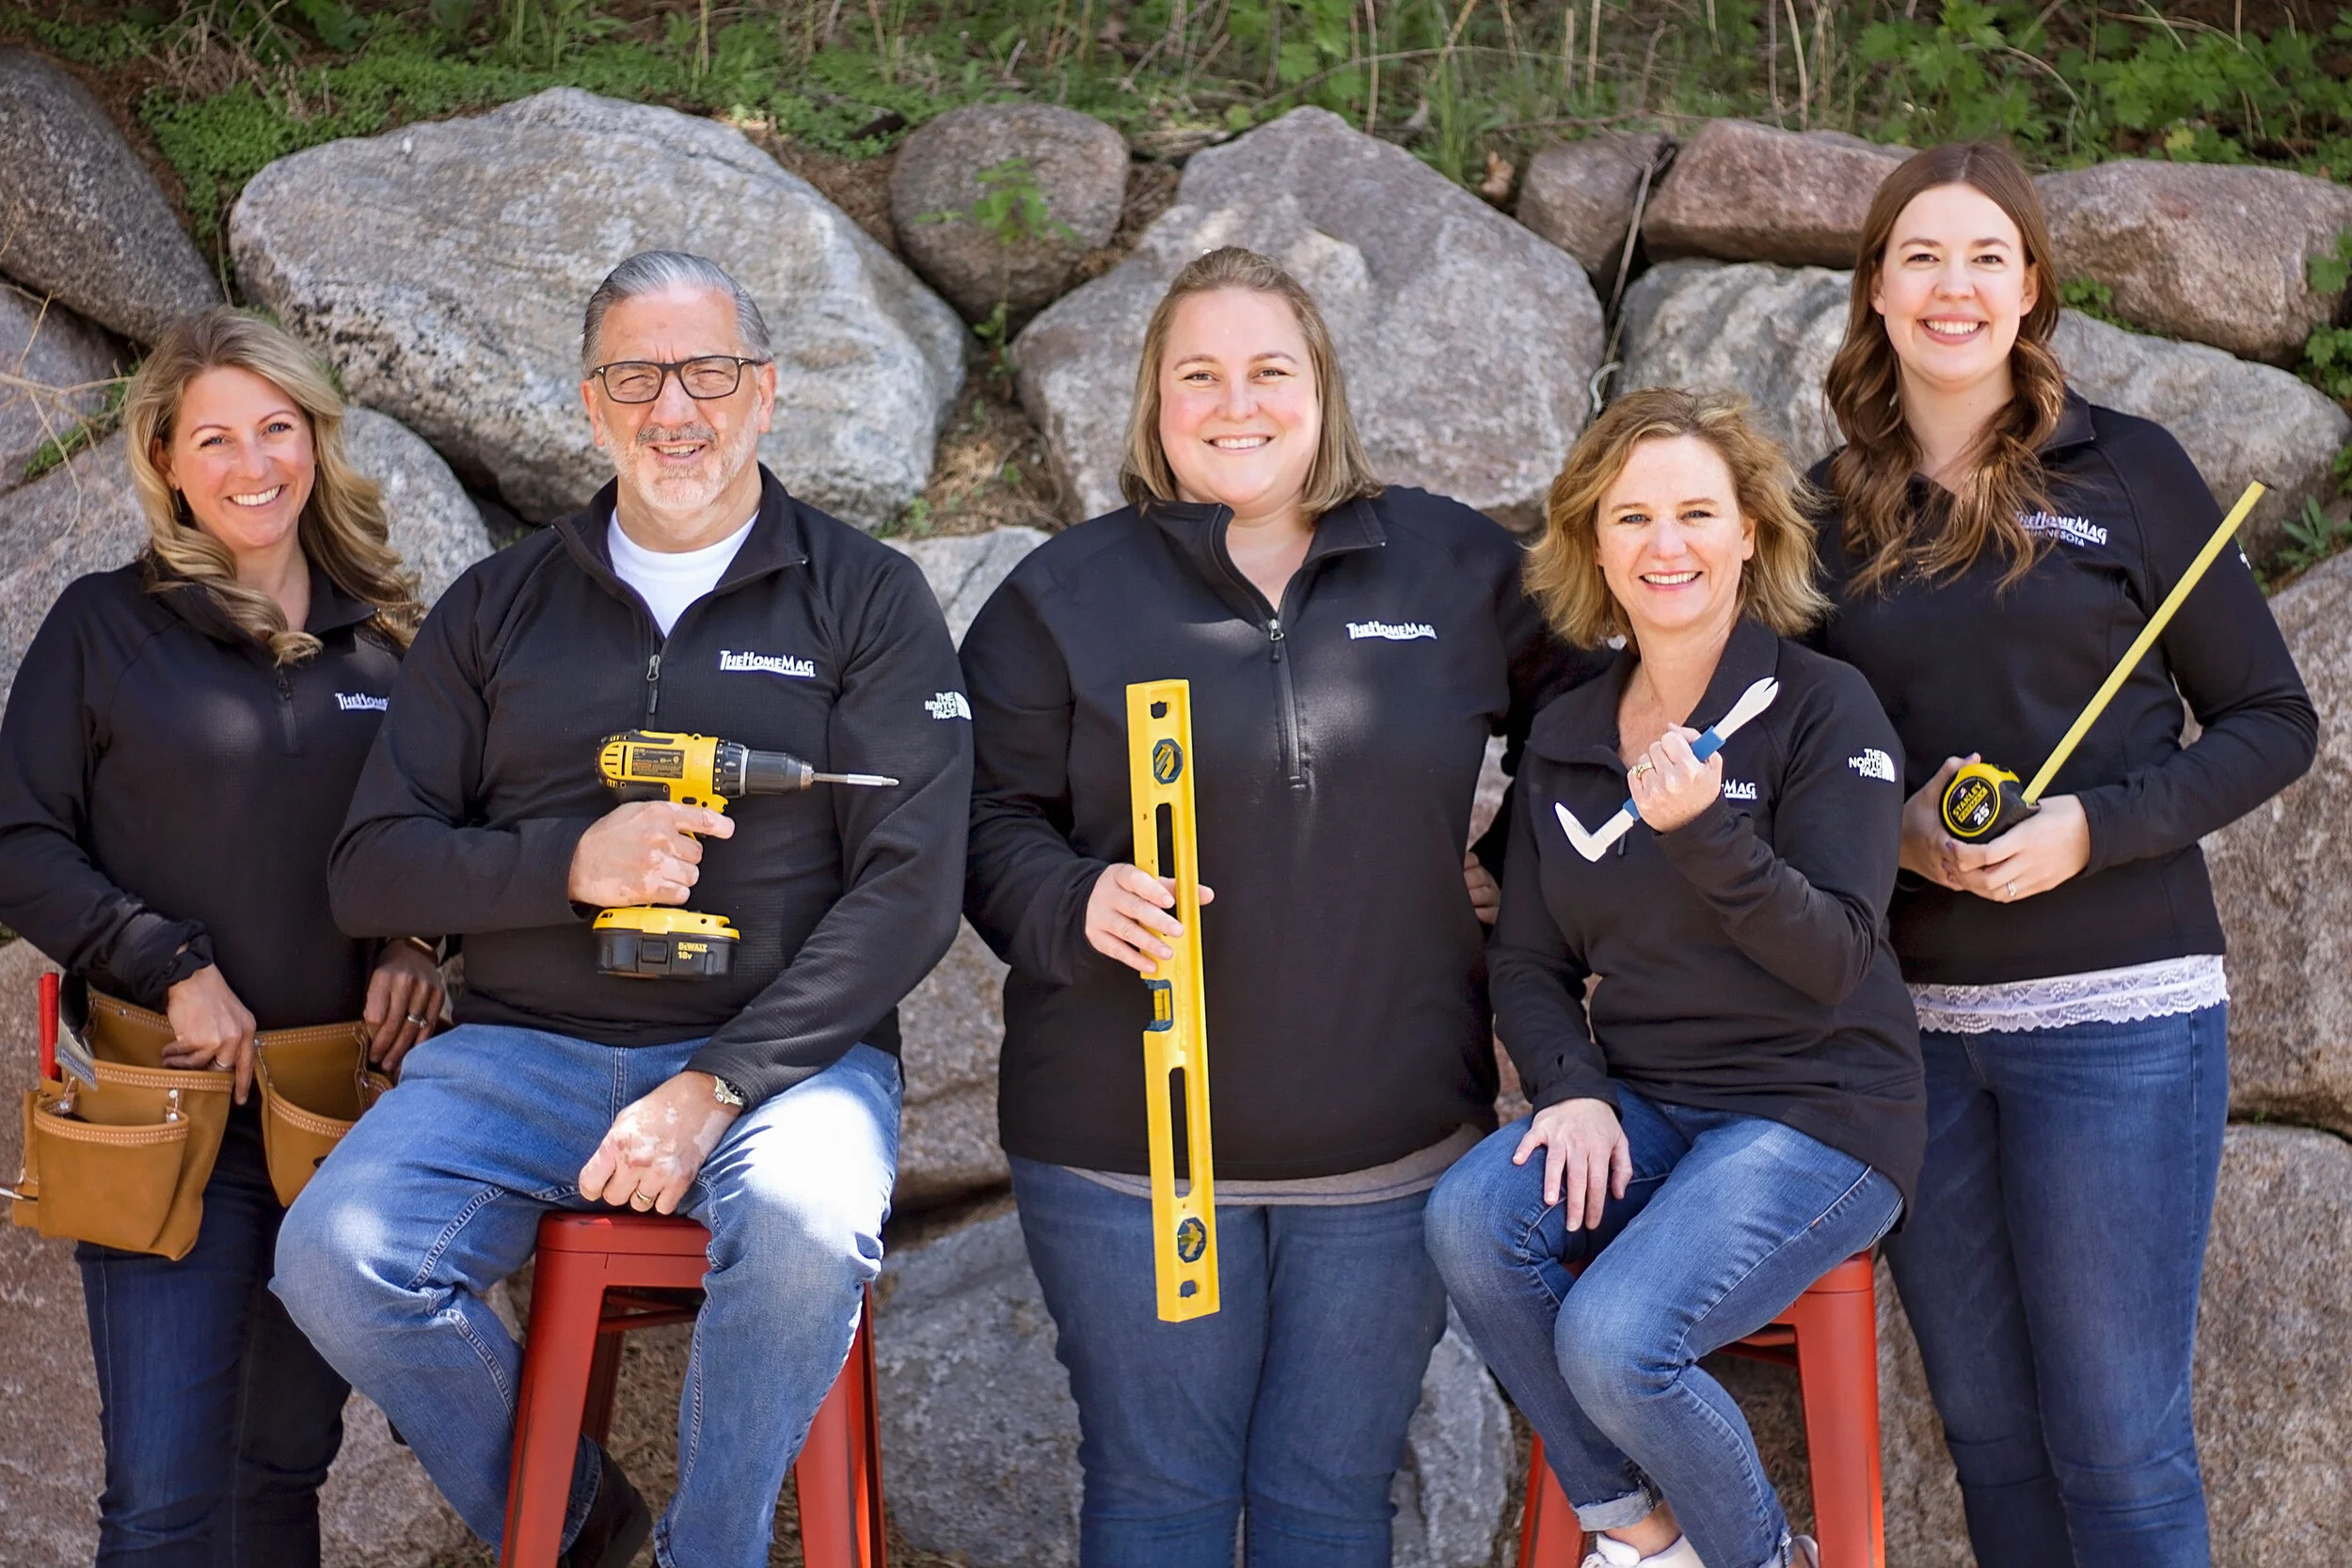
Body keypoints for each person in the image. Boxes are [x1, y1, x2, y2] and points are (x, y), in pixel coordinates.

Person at [271, 251, 971, 1568]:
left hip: (783, 1065)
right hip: (518, 1053)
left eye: (707, 371)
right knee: (333, 1255)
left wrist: (718, 1082)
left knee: (806, 1222)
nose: (675, 408)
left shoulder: (865, 596)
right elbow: (371, 868)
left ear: (764, 392)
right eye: (636, 377)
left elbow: (911, 885)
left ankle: (709, 1552)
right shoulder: (498, 605)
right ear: (591, 405)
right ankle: (583, 1525)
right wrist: (567, 864)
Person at [960, 245, 1591, 1568]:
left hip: (1392, 1146)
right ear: (1154, 400)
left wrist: (1513, 867)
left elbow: (1595, 731)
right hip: (1129, 1154)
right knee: (1161, 1497)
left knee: (1330, 1500)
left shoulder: (1454, 566)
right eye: (1199, 374)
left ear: (1323, 388)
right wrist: (1076, 895)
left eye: (1268, 370)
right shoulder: (1059, 599)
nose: (1235, 403)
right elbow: (979, 819)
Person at [1807, 143, 2315, 1568]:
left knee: (2118, 1446)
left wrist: (2093, 828)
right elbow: (1790, 766)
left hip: (2118, 1019)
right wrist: (1897, 831)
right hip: (1911, 1035)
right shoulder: (1822, 509)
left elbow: (2273, 721)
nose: (1953, 286)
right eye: (1921, 255)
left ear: (2030, 286)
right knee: (1989, 1438)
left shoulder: (2129, 469)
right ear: (1876, 287)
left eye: (1986, 256)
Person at [1425, 387, 1927, 1568]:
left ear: (1748, 532)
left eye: (1696, 512)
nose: (1667, 544)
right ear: (1595, 545)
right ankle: (1640, 1537)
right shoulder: (1568, 735)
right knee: (1470, 1221)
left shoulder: (1822, 708)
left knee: (1614, 1336)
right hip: (1651, 1098)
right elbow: (1529, 956)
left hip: (1820, 1111)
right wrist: (1569, 1088)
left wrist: (1705, 831)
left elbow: (1832, 956)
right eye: (1632, 516)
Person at [0, 308, 445, 1565]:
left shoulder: (393, 640)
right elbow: (17, 839)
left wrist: (420, 943)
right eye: (215, 439)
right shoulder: (103, 628)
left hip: (339, 1113)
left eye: (276, 428)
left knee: (281, 1472)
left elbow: (444, 837)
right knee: (159, 1497)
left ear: (316, 438)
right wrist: (171, 962)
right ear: (168, 460)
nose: (253, 465)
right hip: (164, 1104)